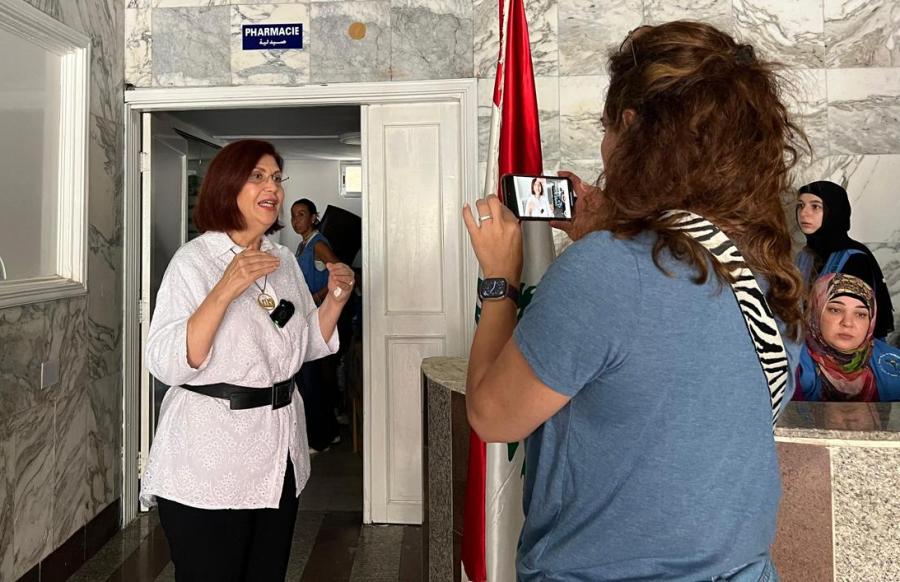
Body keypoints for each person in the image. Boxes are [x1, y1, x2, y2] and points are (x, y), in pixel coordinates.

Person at [463, 22, 807, 581]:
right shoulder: (767, 266)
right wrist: (610, 231)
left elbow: (492, 416)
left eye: (606, 128)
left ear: (629, 127)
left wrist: (500, 280)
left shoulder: (605, 270)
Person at [140, 140, 354, 581]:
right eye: (257, 176)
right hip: (209, 459)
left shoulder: (282, 261)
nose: (271, 187)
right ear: (227, 186)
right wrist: (225, 288)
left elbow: (300, 344)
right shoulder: (194, 262)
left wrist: (336, 299)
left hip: (278, 455)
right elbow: (165, 361)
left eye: (276, 177)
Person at [794, 253, 900, 402]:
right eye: (835, 310)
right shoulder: (791, 362)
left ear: (871, 322)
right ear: (815, 313)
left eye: (860, 314)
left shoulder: (893, 362)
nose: (848, 323)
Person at [795, 180, 894, 339]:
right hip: (807, 345)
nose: (804, 213)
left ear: (834, 211)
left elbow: (856, 324)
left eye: (815, 206)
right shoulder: (804, 255)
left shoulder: (855, 259)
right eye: (800, 205)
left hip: (845, 348)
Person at [290, 198, 343, 451]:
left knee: (312, 381)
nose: (296, 220)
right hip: (305, 317)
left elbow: (340, 272)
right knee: (311, 380)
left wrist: (319, 296)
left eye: (301, 214)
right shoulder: (303, 246)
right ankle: (329, 433)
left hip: (318, 318)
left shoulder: (318, 244)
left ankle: (321, 439)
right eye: (293, 215)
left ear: (313, 217)